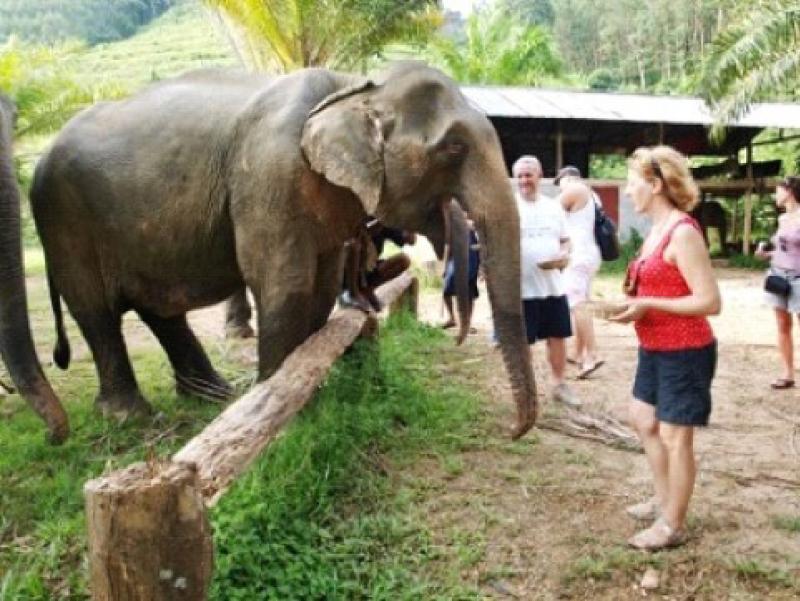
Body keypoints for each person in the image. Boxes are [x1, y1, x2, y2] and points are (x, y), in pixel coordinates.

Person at [610, 145, 721, 551]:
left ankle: (672, 524)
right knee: (642, 419)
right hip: (654, 347)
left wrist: (649, 305)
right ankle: (663, 498)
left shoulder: (683, 232)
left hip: (685, 352)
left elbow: (710, 302)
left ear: (655, 185)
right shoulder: (654, 232)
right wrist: (635, 308)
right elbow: (656, 287)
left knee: (677, 438)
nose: (626, 191)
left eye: (631, 182)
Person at [514, 155, 580, 407]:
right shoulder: (509, 207)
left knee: (558, 335)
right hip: (521, 287)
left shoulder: (554, 207)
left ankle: (559, 384)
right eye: (520, 176)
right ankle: (526, 390)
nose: (524, 180)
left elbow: (565, 239)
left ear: (539, 177)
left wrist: (565, 255)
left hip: (552, 284)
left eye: (528, 175)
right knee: (523, 341)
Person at [555, 165, 604, 379]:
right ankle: (577, 352)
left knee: (577, 305)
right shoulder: (593, 196)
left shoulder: (575, 189)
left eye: (560, 184)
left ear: (567, 178)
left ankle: (592, 354)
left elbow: (549, 213)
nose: (560, 188)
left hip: (578, 255)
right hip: (589, 253)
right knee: (580, 302)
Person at [755, 176, 800, 389]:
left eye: (778, 190)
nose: (776, 194)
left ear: (790, 191)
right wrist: (767, 253)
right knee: (783, 325)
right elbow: (782, 249)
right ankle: (787, 373)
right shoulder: (783, 220)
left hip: (798, 279)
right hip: (777, 276)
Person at [442, 218, 480, 331]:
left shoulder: (474, 224)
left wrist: (482, 266)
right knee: (447, 288)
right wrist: (445, 266)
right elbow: (448, 246)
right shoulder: (453, 226)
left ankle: (468, 322)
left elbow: (481, 245)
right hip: (455, 261)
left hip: (471, 260)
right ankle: (452, 318)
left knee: (469, 292)